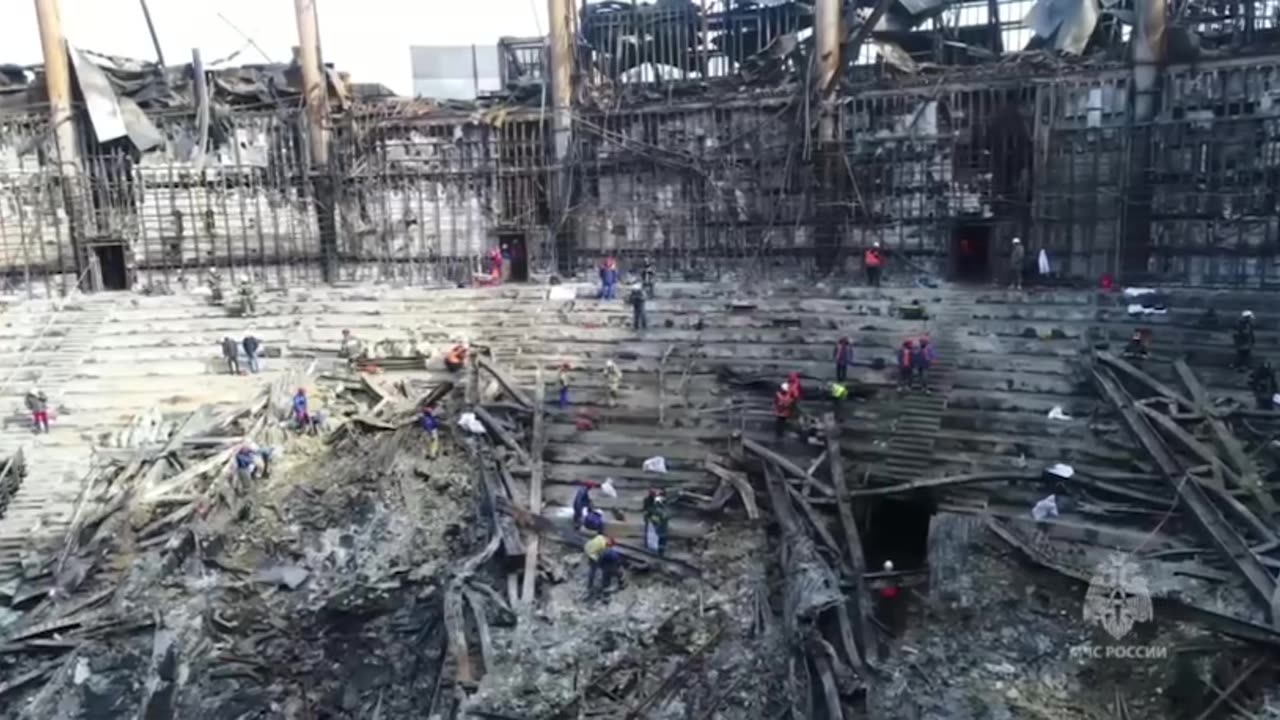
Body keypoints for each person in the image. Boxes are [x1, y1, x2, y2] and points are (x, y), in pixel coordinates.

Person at [643, 488, 670, 556]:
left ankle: (658, 549)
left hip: (657, 521)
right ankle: (652, 546)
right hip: (654, 519)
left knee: (656, 535)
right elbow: (647, 509)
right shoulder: (648, 500)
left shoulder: (658, 501)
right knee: (651, 533)